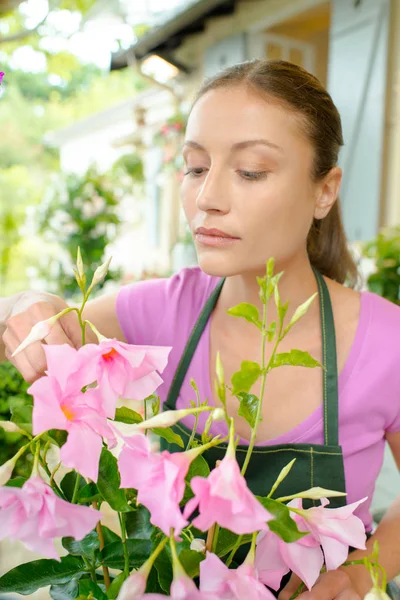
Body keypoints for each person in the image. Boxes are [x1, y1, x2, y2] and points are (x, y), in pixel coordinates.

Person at [1, 59, 400, 599]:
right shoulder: (158, 312)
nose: (207, 197)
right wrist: (21, 304)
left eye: (251, 170)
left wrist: (360, 571)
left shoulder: (387, 339)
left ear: (324, 191)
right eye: (194, 167)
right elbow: (45, 324)